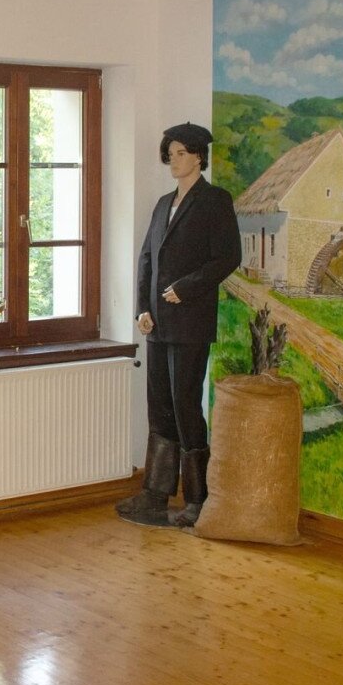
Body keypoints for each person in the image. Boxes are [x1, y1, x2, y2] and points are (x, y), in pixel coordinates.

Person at [116, 122, 242, 528]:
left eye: (181, 153)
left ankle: (198, 501)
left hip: (190, 323)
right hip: (157, 324)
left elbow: (227, 258)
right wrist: (142, 309)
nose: (174, 160)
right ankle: (154, 495)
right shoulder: (162, 204)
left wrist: (186, 288)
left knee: (186, 406)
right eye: (170, 154)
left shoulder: (215, 201)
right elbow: (146, 260)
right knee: (160, 407)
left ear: (199, 156)